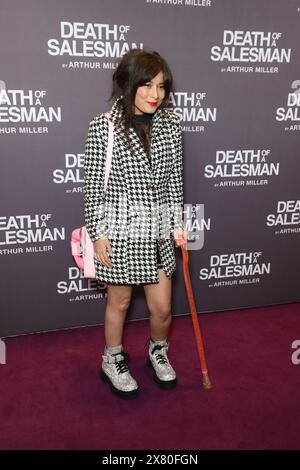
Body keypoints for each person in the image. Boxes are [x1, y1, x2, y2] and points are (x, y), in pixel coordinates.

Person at [84, 48, 187, 399]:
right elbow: (94, 188)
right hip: (119, 229)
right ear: (127, 84)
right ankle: (112, 359)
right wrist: (98, 234)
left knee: (162, 307)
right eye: (146, 85)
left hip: (157, 229)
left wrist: (176, 222)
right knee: (120, 303)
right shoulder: (104, 127)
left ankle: (158, 350)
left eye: (161, 86)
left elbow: (174, 179)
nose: (155, 94)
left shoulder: (171, 124)